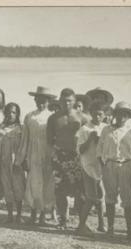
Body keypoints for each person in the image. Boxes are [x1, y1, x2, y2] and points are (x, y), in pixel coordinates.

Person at [47, 88, 89, 229]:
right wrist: (54, 156)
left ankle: (82, 223)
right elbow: (49, 140)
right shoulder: (53, 118)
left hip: (77, 157)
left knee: (81, 192)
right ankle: (62, 220)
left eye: (69, 101)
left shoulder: (83, 118)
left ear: (75, 101)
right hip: (59, 157)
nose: (66, 104)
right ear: (59, 101)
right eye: (64, 101)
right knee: (60, 191)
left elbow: (89, 136)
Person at [15, 86, 56, 225]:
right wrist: (21, 158)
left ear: (49, 101)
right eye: (38, 99)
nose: (41, 102)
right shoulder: (29, 116)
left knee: (46, 184)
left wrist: (53, 156)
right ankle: (33, 213)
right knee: (33, 182)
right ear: (35, 100)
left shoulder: (51, 116)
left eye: (44, 100)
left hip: (46, 153)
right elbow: (25, 139)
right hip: (32, 153)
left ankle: (43, 215)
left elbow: (54, 139)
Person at [96, 102, 131, 239]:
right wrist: (103, 165)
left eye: (125, 114)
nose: (122, 117)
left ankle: (130, 231)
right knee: (110, 197)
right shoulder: (106, 130)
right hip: (110, 165)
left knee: (127, 199)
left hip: (126, 165)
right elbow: (99, 150)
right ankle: (111, 229)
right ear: (115, 114)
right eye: (119, 114)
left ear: (128, 117)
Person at [75, 101, 107, 234]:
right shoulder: (84, 129)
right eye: (94, 114)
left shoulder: (106, 128)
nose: (97, 117)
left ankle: (101, 223)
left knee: (101, 195)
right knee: (91, 197)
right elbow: (79, 150)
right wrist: (90, 139)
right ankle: (81, 226)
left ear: (104, 115)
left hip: (102, 165)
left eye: (100, 114)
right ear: (90, 114)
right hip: (88, 165)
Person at [0, 103, 25, 223]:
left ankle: (19, 214)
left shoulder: (21, 128)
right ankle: (10, 214)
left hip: (17, 162)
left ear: (17, 114)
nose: (11, 115)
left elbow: (23, 147)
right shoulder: (1, 129)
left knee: (18, 187)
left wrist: (19, 161)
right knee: (7, 187)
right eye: (9, 112)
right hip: (4, 162)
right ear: (5, 114)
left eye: (14, 112)